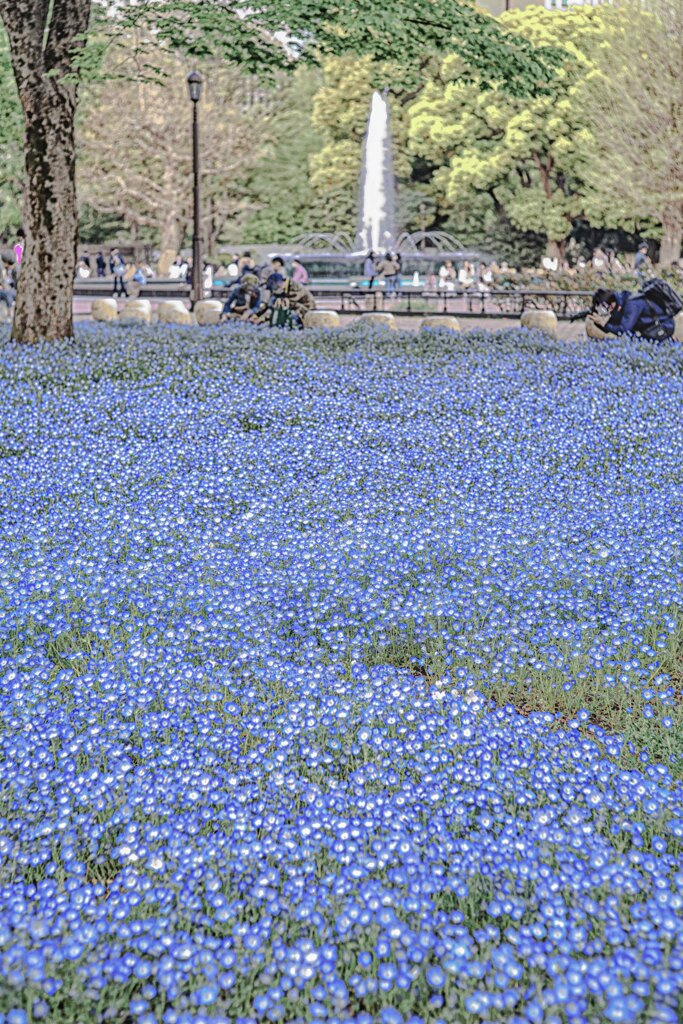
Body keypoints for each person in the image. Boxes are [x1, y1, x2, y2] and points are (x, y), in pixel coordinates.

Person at [587, 286, 676, 341]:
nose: (607, 309)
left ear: (611, 300)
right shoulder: (621, 303)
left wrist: (604, 323)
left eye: (606, 305)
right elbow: (612, 327)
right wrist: (598, 322)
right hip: (652, 327)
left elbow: (623, 330)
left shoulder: (631, 304)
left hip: (663, 326)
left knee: (637, 342)